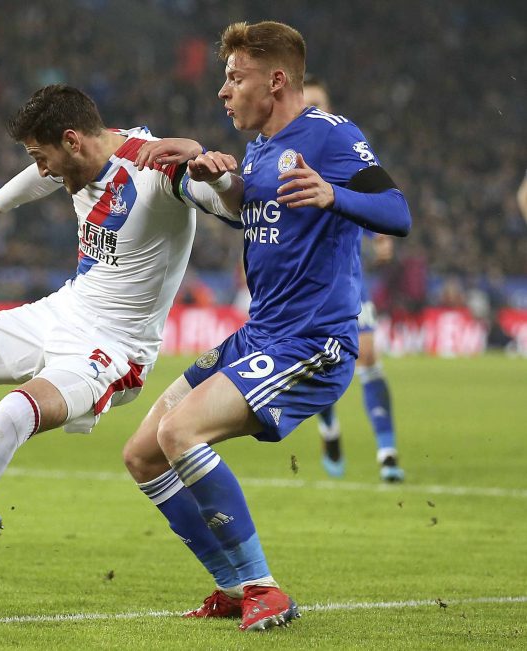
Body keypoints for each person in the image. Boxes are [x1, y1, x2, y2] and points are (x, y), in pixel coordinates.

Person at [0, 84, 239, 590]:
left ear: (73, 140)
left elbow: (229, 205)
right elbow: (37, 178)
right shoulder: (88, 153)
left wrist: (217, 168)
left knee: (13, 413)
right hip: (64, 310)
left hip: (114, 350)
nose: (45, 170)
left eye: (44, 156)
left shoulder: (158, 168)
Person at [126, 21, 411, 630]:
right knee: (143, 453)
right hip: (260, 334)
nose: (224, 92)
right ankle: (232, 588)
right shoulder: (258, 148)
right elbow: (249, 213)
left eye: (235, 78)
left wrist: (335, 196)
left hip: (312, 342)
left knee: (180, 432)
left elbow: (397, 211)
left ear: (275, 79)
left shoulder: (331, 136)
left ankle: (264, 587)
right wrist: (218, 180)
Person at [296, 75, 405, 481]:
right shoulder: (284, 153)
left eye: (319, 104)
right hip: (302, 284)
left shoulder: (342, 148)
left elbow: (375, 194)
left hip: (347, 280)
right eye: (307, 105)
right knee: (313, 363)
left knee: (370, 355)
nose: (314, 111)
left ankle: (388, 454)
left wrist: (380, 237)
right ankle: (329, 425)